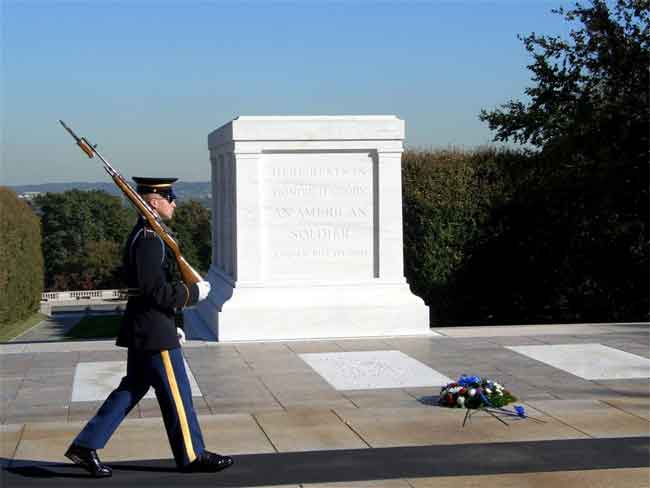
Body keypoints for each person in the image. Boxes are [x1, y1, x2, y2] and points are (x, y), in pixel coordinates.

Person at [65, 177, 233, 478]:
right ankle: (192, 456)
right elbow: (156, 291)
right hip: (154, 332)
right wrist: (193, 294)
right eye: (170, 197)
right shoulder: (149, 240)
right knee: (177, 395)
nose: (175, 203)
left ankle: (85, 445)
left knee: (131, 389)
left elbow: (150, 291)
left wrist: (173, 322)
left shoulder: (148, 236)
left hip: (150, 326)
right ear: (154, 202)